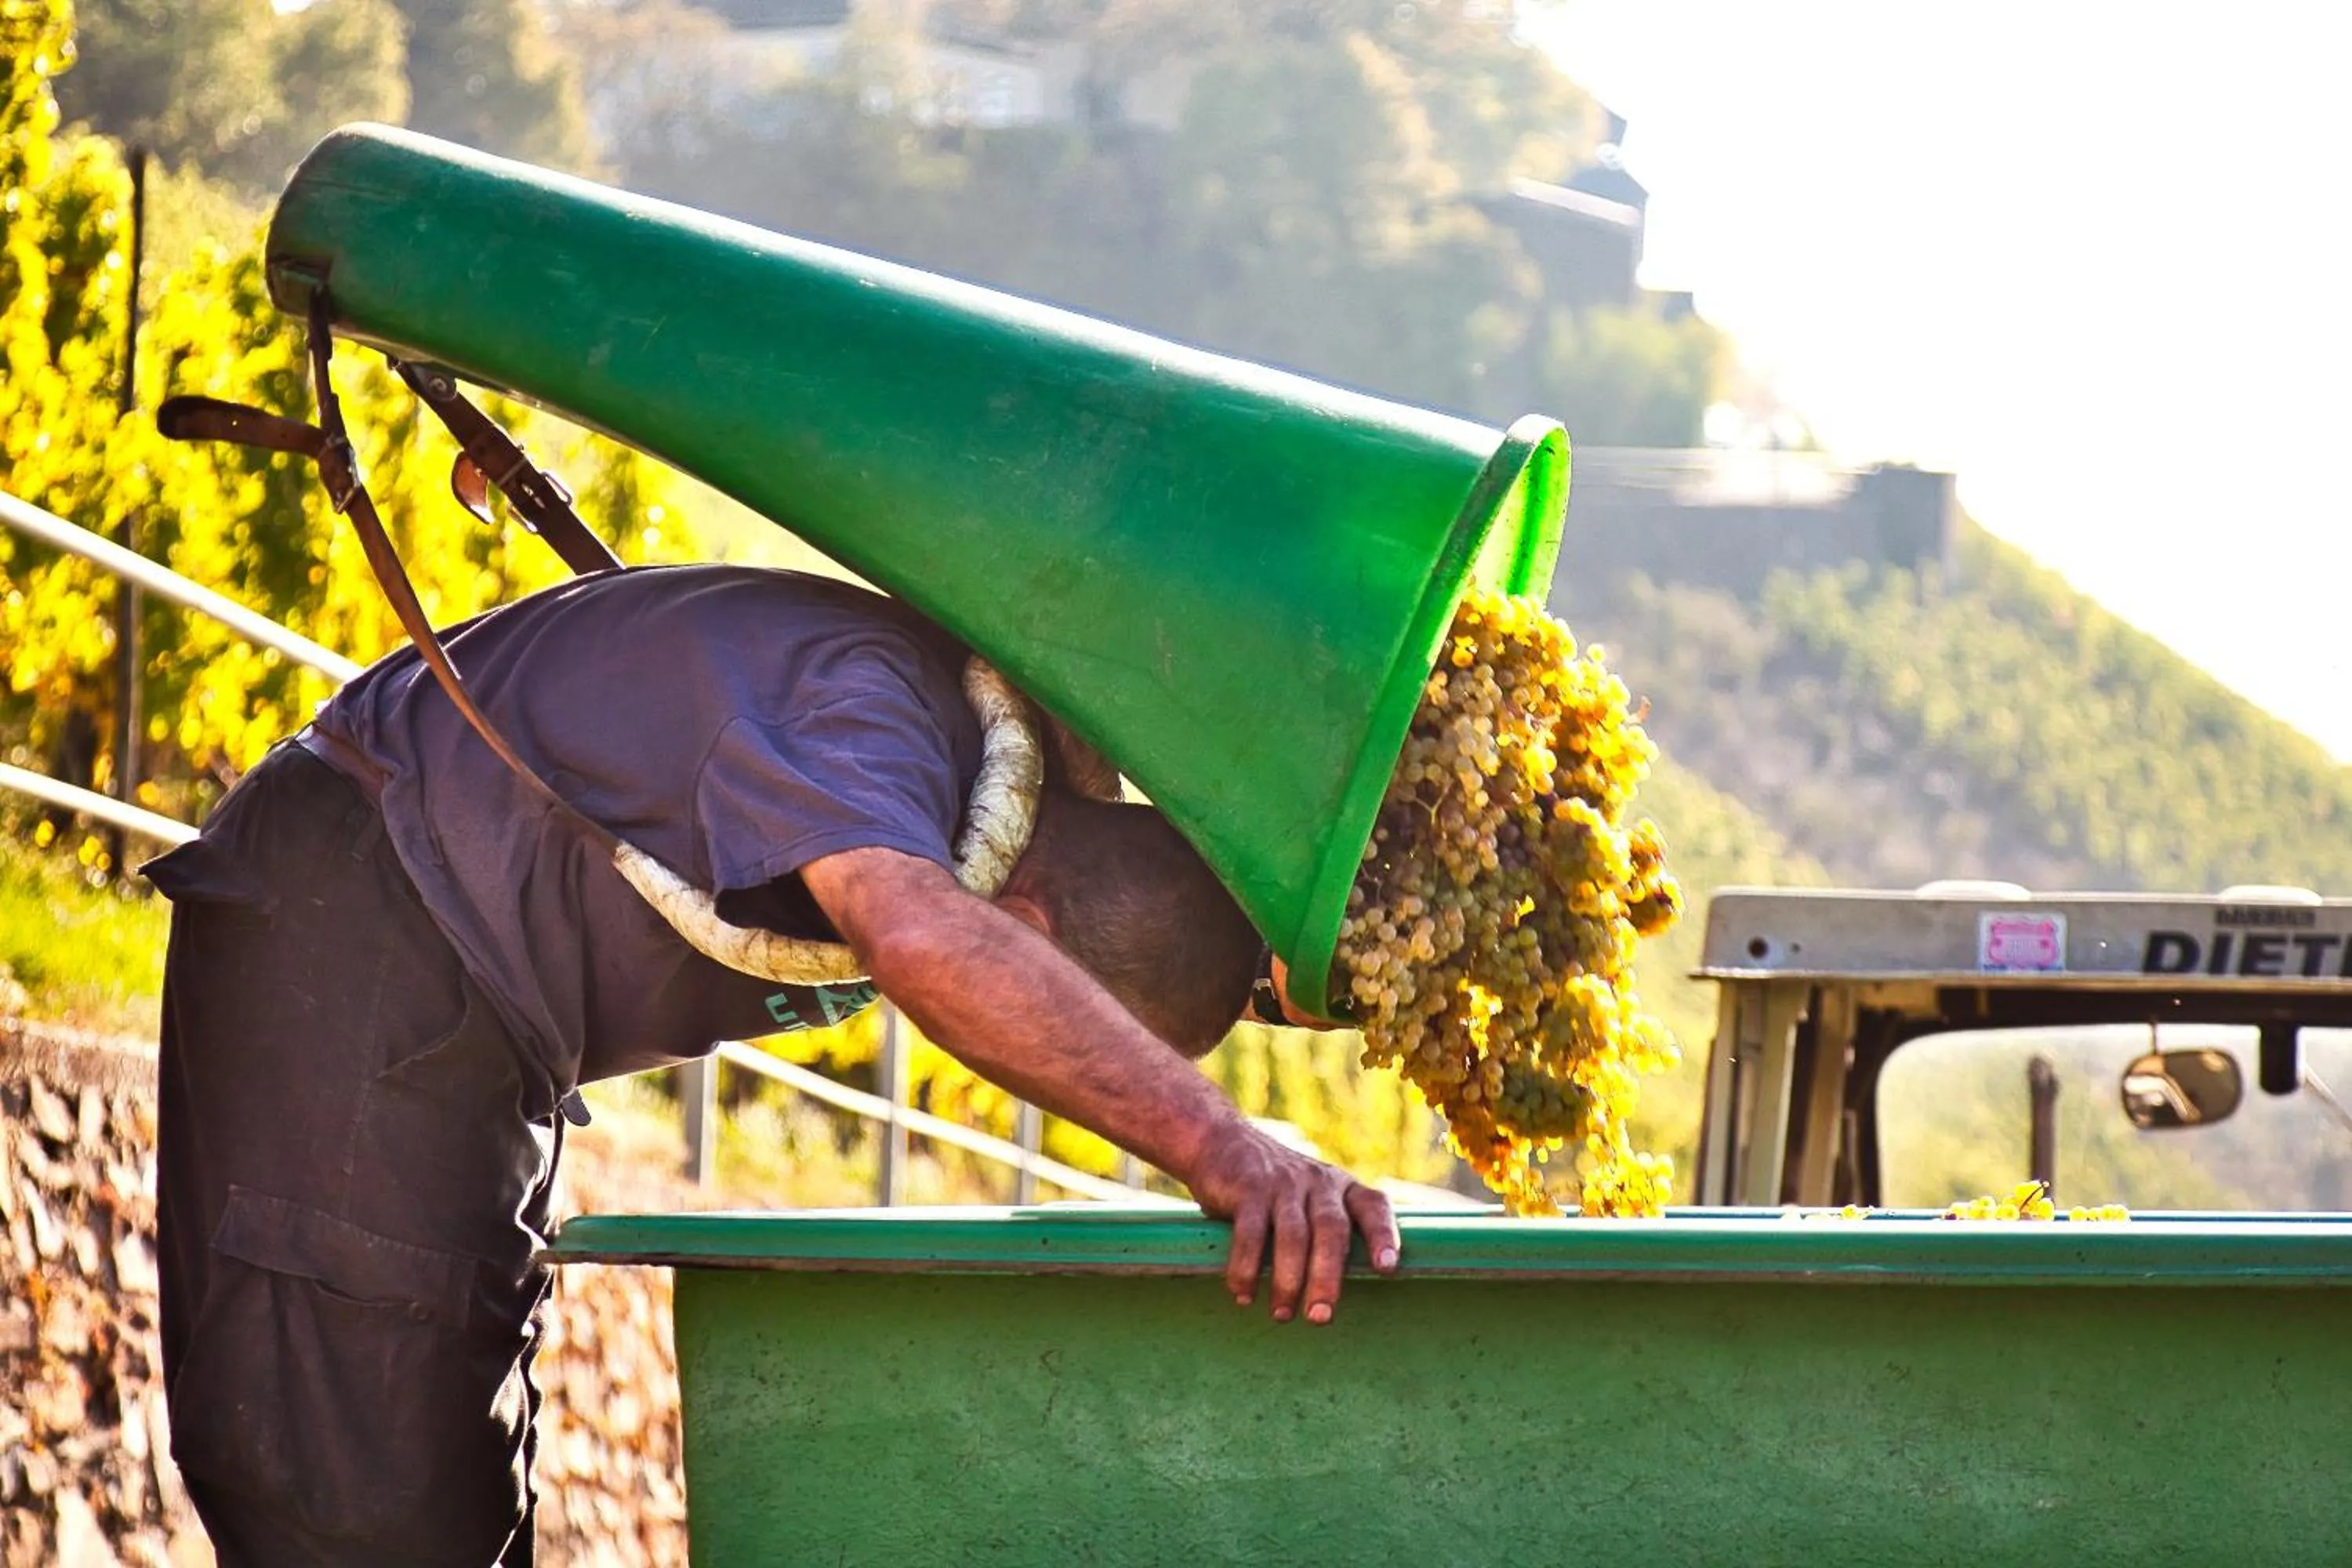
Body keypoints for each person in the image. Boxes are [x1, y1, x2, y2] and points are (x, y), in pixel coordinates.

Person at [141, 561, 1397, 1566]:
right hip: (373, 928)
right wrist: (1228, 1147)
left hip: (462, 1003)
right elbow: (918, 937)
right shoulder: (878, 724)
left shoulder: (955, 768)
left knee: (440, 1465)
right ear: (1028, 940)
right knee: (364, 1496)